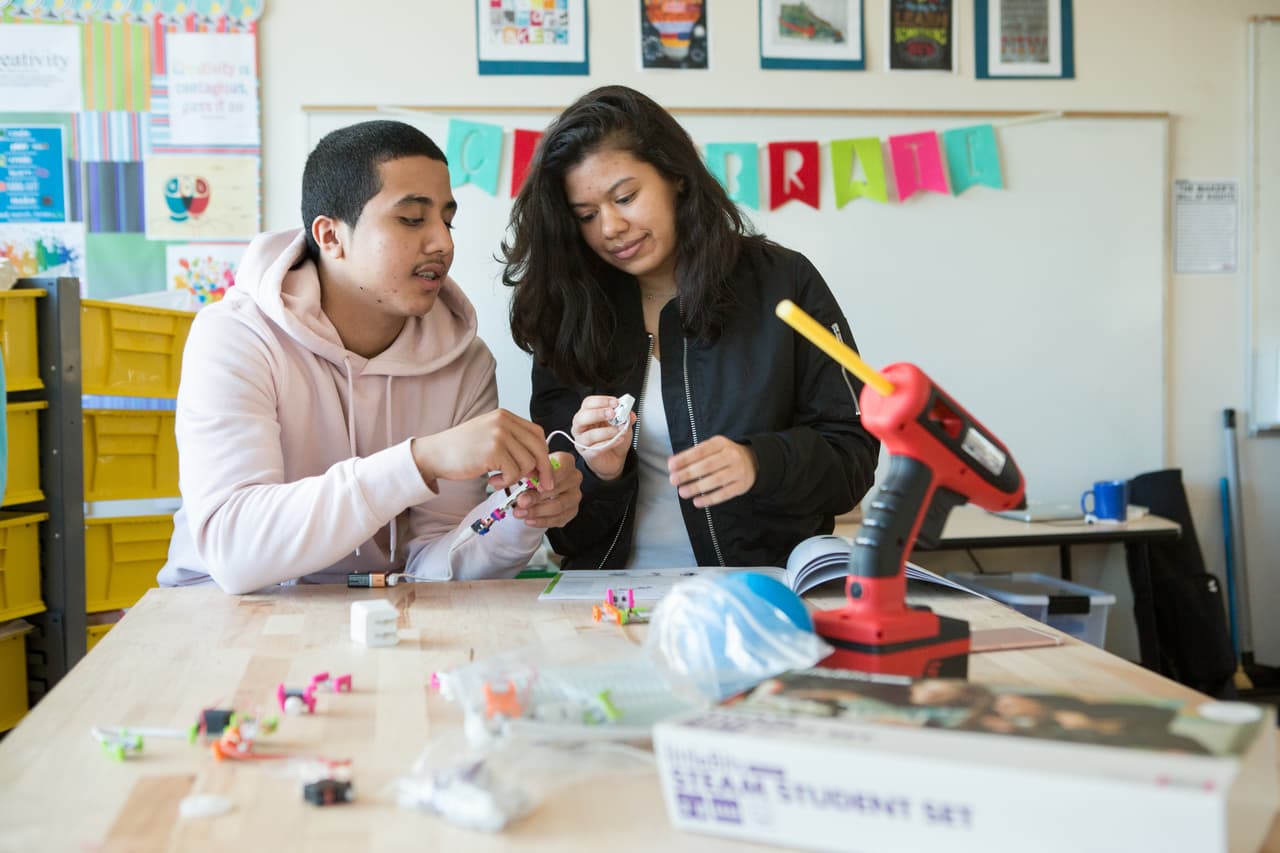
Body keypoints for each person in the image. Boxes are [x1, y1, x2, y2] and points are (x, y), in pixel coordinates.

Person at [159, 120, 582, 594]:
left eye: (447, 219)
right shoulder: (235, 335)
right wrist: (420, 461)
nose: (443, 242)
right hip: (218, 610)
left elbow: (436, 566)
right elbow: (235, 552)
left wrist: (518, 517)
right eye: (412, 219)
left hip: (377, 608)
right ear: (331, 236)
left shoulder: (465, 362)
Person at [504, 85, 879, 570]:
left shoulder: (783, 282)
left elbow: (853, 453)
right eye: (587, 216)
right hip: (608, 601)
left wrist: (759, 462)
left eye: (626, 197)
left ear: (676, 177)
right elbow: (565, 529)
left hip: (760, 592)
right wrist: (600, 473)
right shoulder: (568, 309)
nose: (610, 228)